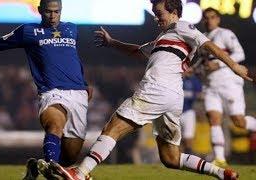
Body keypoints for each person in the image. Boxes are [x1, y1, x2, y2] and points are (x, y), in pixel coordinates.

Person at [50, 0, 253, 179]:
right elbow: (138, 50)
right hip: (172, 97)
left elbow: (208, 45)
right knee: (170, 157)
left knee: (113, 128)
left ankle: (81, 172)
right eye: (155, 15)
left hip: (156, 89)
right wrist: (112, 43)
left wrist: (233, 66)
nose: (157, 18)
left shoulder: (182, 27)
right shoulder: (164, 39)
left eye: (160, 14)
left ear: (174, 12)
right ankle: (220, 173)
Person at [0, 0, 92, 179]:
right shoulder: (28, 31)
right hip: (52, 92)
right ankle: (52, 170)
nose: (52, 16)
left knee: (69, 158)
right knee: (54, 125)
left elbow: (73, 59)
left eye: (56, 12)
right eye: (48, 12)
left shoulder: (72, 29)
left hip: (78, 94)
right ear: (39, 11)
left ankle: (37, 166)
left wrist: (84, 84)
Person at [200, 7, 256, 167]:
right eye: (206, 17)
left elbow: (240, 54)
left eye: (212, 17)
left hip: (229, 83)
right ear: (203, 20)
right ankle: (220, 159)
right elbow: (202, 62)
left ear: (218, 19)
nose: (209, 20)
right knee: (214, 119)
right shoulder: (202, 38)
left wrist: (217, 64)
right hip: (210, 85)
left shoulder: (224, 33)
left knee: (238, 121)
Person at [180, 68, 202, 153]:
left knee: (188, 137)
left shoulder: (194, 81)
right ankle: (177, 159)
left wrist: (194, 96)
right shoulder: (175, 79)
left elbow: (200, 95)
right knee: (176, 138)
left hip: (188, 111)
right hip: (175, 111)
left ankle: (188, 157)